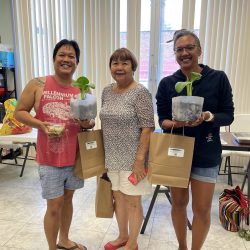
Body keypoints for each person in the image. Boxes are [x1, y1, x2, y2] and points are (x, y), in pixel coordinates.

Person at [156, 29, 234, 250]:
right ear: (175, 54)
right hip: (176, 152)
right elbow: (163, 121)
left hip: (206, 152)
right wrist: (177, 123)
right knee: (179, 204)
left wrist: (208, 117)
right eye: (179, 49)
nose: (184, 53)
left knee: (201, 209)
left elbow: (228, 114)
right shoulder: (168, 83)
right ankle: (182, 246)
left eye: (189, 48)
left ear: (199, 50)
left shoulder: (217, 78)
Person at [14, 39, 94, 250]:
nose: (66, 59)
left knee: (68, 200)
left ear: (77, 62)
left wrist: (87, 122)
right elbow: (19, 112)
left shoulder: (83, 90)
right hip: (49, 157)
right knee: (54, 205)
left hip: (75, 156)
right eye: (62, 55)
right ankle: (52, 247)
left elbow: (91, 121)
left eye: (71, 56)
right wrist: (40, 124)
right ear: (54, 58)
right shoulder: (38, 84)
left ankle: (64, 240)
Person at [100, 48, 155, 250]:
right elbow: (104, 122)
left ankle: (132, 242)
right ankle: (122, 236)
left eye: (125, 63)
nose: (119, 67)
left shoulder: (140, 93)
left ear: (133, 67)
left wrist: (140, 159)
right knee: (118, 198)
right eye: (115, 63)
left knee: (133, 201)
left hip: (133, 159)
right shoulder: (107, 91)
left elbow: (148, 127)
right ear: (110, 67)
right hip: (112, 157)